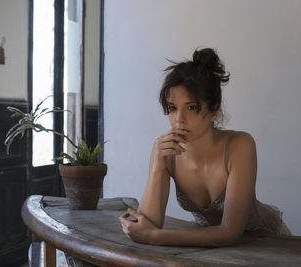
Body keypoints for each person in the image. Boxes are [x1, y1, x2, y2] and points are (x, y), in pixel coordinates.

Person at [119, 48, 291, 247]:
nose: (179, 120)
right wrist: (158, 166)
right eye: (172, 108)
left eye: (191, 107)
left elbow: (230, 233)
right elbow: (148, 224)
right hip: (214, 250)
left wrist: (156, 237)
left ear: (214, 111)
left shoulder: (239, 146)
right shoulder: (165, 151)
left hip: (269, 244)